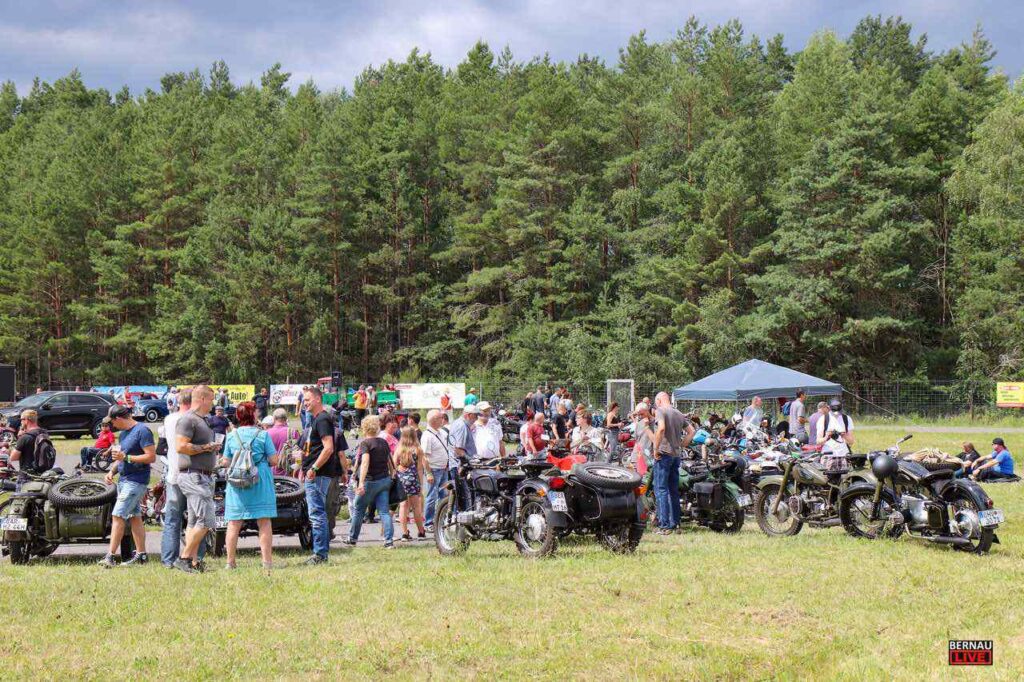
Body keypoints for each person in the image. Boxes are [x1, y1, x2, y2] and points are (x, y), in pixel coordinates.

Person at [218, 401, 279, 571]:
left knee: (233, 523)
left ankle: (230, 562)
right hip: (260, 481)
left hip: (238, 484)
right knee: (264, 522)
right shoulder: (263, 435)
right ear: (253, 416)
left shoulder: (231, 436)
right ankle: (266, 562)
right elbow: (274, 460)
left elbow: (226, 461)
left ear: (238, 416)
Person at [98, 405, 156, 568]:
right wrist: (112, 471)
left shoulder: (142, 431)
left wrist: (128, 457)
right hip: (124, 480)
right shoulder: (123, 434)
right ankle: (142, 555)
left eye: (113, 423)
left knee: (118, 515)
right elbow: (120, 458)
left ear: (119, 419)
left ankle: (110, 556)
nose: (112, 427)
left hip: (136, 481)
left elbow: (151, 457)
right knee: (134, 517)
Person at [173, 384, 222, 574]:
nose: (213, 403)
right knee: (207, 519)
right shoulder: (188, 420)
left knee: (194, 521)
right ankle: (184, 558)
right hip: (193, 476)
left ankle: (193, 561)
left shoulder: (203, 420)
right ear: (202, 399)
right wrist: (206, 448)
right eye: (211, 399)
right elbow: (181, 446)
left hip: (202, 476)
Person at [160, 389, 207, 568]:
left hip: (173, 474)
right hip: (193, 475)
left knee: (173, 519)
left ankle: (169, 559)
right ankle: (196, 558)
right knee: (197, 519)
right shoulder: (195, 421)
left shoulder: (169, 419)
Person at [296, 386, 340, 564]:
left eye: (307, 400)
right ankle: (320, 552)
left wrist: (313, 468)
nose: (304, 403)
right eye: (304, 400)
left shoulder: (322, 419)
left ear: (317, 399)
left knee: (317, 513)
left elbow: (328, 448)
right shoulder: (316, 419)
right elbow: (314, 448)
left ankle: (320, 554)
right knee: (316, 513)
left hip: (318, 474)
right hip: (314, 473)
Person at [346, 416, 394, 548]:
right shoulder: (383, 442)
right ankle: (388, 540)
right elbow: (389, 461)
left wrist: (360, 482)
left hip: (370, 481)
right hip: (384, 480)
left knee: (358, 509)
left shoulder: (365, 443)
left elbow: (365, 462)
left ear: (364, 428)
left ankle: (352, 538)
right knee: (384, 511)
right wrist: (392, 474)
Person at [652, 392, 694, 535]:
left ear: (659, 400)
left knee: (661, 489)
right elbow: (691, 431)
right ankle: (676, 524)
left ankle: (664, 526)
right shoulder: (678, 413)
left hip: (664, 454)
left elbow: (661, 428)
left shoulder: (660, 411)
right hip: (676, 456)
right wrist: (681, 445)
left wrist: (655, 448)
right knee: (673, 490)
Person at [394, 425, 429, 541]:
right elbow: (419, 469)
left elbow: (394, 465)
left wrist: (398, 468)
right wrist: (420, 484)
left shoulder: (399, 449)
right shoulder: (417, 450)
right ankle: (421, 531)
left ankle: (404, 533)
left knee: (403, 506)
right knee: (416, 507)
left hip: (401, 480)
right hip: (413, 480)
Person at [421, 410, 449, 531]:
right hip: (434, 469)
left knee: (443, 496)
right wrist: (428, 473)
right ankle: (428, 522)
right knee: (432, 496)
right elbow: (424, 457)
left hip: (443, 469)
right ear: (434, 420)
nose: (442, 420)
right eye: (440, 418)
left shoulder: (441, 432)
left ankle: (441, 519)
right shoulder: (427, 435)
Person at [10, 410, 52, 479]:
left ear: (26, 420)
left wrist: (19, 439)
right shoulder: (44, 433)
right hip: (43, 473)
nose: (21, 422)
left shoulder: (25, 437)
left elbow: (13, 457)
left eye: (21, 420)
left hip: (27, 475)